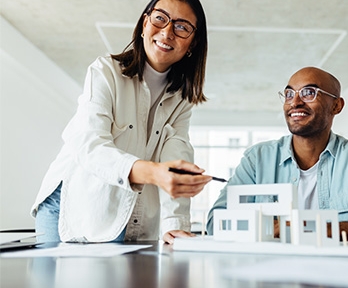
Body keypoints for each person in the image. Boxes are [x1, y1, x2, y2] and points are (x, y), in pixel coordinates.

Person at [31, 0, 212, 244]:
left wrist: (175, 224)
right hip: (70, 204)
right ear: (144, 23)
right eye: (160, 18)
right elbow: (89, 144)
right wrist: (153, 173)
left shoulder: (182, 99)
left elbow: (175, 154)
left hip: (124, 210)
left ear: (193, 42)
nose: (167, 32)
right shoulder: (105, 71)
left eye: (182, 27)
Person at [207, 67, 348, 244]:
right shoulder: (258, 158)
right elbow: (216, 221)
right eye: (289, 94)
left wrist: (310, 228)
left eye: (309, 92)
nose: (295, 102)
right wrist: (267, 227)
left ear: (336, 105)